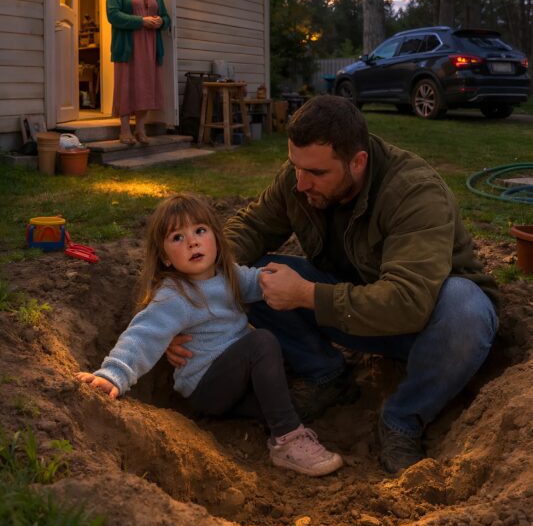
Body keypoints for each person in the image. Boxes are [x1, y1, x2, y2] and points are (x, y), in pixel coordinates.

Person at [167, 96, 499, 475]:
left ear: (357, 162)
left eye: (317, 173)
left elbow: (409, 302)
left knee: (467, 308)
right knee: (253, 271)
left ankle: (403, 419)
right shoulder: (301, 178)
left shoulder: (414, 192)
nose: (301, 182)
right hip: (352, 309)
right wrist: (181, 304)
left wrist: (307, 295)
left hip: (428, 326)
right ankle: (325, 374)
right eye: (295, 167)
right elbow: (249, 229)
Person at [75, 193, 343, 478]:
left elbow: (260, 281)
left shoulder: (229, 276)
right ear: (165, 257)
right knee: (261, 342)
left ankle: (283, 419)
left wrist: (311, 287)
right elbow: (143, 335)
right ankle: (287, 441)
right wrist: (113, 373)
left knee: (282, 397)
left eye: (200, 231)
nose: (192, 242)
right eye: (177, 237)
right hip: (207, 387)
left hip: (237, 383)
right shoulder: (174, 296)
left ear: (216, 238)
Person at [106, 0, 171, 146]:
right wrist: (141, 21)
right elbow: (113, 15)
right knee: (126, 85)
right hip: (128, 46)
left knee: (146, 87)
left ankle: (140, 129)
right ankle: (124, 129)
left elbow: (167, 18)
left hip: (151, 47)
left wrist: (161, 21)